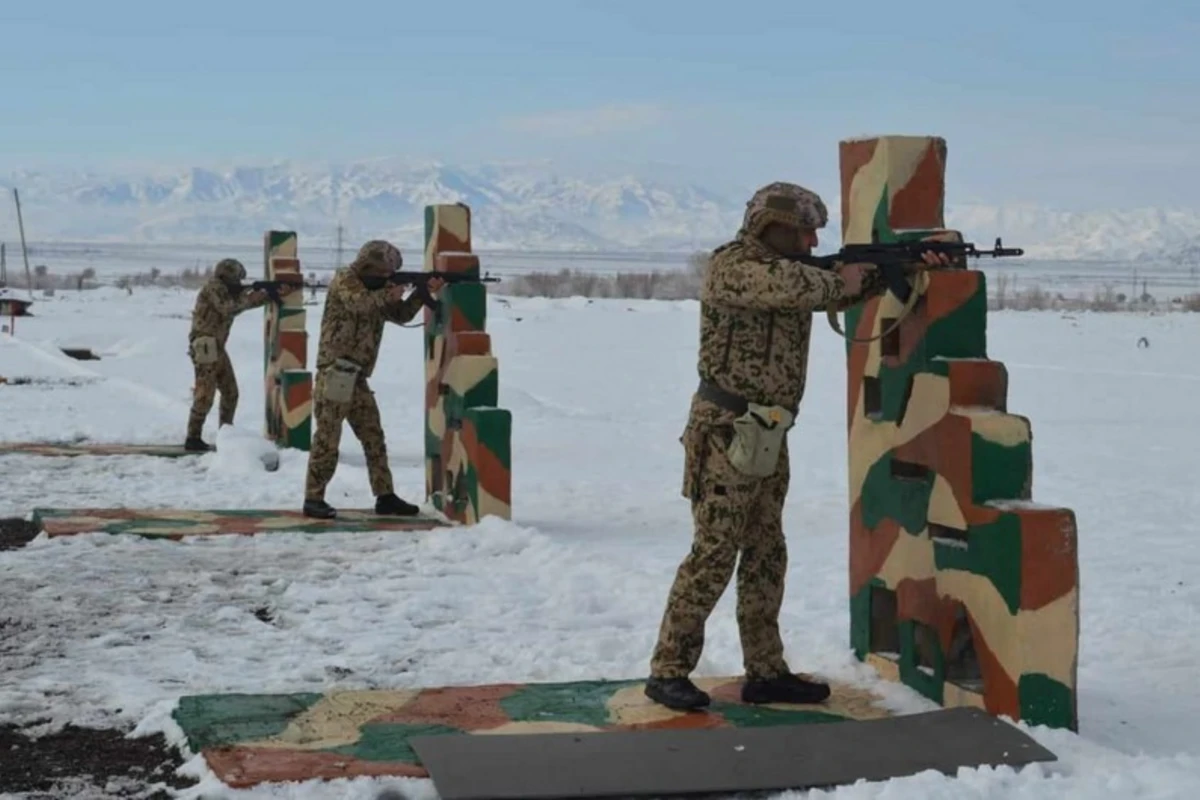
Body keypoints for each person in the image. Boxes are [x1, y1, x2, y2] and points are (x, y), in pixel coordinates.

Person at [643, 181, 950, 711]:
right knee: (715, 553)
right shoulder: (735, 266)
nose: (811, 242)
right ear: (772, 225)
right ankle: (668, 669)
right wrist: (843, 276)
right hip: (726, 431)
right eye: (803, 231)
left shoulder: (797, 272)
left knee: (766, 553)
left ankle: (766, 671)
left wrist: (908, 266)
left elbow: (840, 286)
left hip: (768, 432)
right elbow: (802, 287)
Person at [302, 240, 444, 519]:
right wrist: (389, 292)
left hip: (356, 377)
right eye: (382, 273)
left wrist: (421, 293)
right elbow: (358, 305)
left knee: (373, 437)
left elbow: (401, 315)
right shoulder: (347, 279)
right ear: (369, 266)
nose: (385, 279)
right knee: (328, 438)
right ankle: (313, 498)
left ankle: (385, 496)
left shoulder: (377, 291)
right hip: (336, 372)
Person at [185, 258, 294, 451]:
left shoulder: (226, 290)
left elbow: (240, 303)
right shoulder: (214, 288)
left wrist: (269, 294)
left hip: (217, 347)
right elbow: (230, 307)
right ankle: (193, 437)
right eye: (236, 279)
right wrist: (261, 294)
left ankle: (225, 436)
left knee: (230, 393)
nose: (238, 284)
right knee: (205, 396)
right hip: (206, 346)